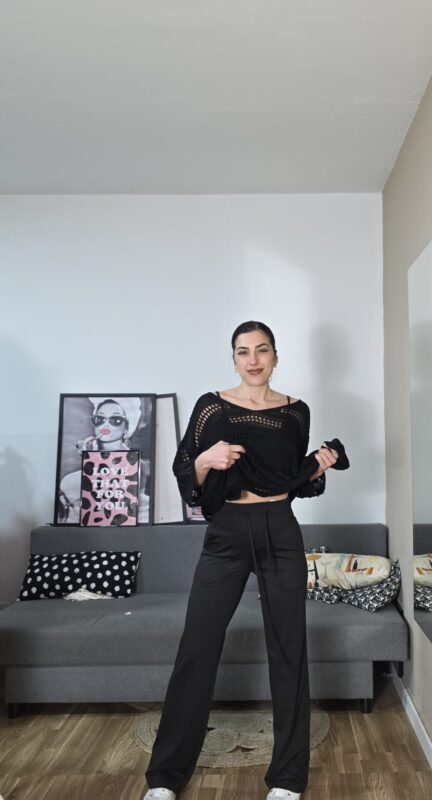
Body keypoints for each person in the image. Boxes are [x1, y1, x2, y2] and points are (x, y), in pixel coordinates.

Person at [143, 321, 349, 800]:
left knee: (289, 650)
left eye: (262, 350)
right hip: (227, 533)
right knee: (197, 647)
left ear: (275, 356)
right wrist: (206, 459)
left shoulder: (296, 412)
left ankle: (287, 779)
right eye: (243, 351)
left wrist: (318, 466)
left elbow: (291, 478)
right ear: (233, 358)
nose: (253, 360)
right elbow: (184, 471)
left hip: (280, 529)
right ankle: (165, 778)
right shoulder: (211, 406)